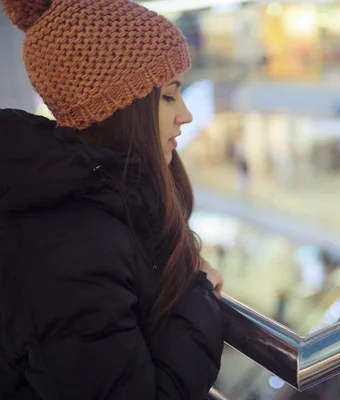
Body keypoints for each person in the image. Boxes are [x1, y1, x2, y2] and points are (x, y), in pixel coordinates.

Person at [0, 0, 225, 398]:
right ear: (121, 107)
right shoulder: (72, 248)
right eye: (168, 96)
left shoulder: (104, 199)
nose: (186, 114)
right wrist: (199, 293)